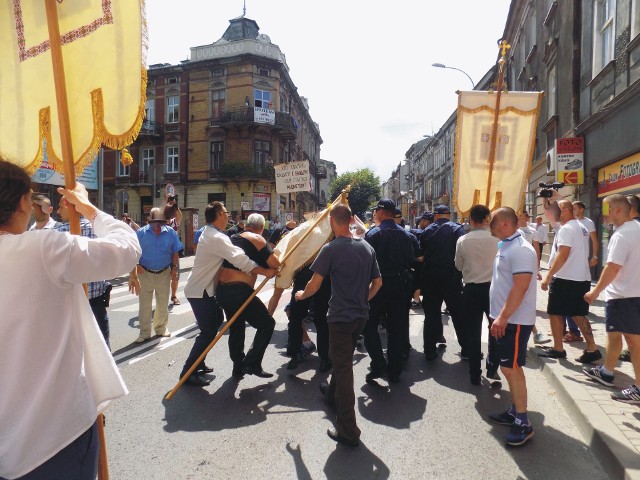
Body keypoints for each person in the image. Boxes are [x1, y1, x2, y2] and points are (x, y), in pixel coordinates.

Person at [0, 158, 140, 479]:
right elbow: (126, 250)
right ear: (24, 201)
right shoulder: (41, 247)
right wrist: (89, 208)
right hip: (53, 439)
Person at [295, 203, 382, 447]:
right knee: (340, 359)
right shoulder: (366, 247)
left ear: (333, 222)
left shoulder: (330, 249)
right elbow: (378, 283)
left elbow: (314, 283)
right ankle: (332, 396)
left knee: (343, 370)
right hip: (360, 317)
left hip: (341, 318)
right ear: (350, 221)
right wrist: (363, 299)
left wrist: (302, 295)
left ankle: (348, 430)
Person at [180, 204, 276, 386]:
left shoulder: (212, 234)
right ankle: (188, 372)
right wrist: (264, 271)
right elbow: (239, 259)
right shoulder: (216, 237)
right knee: (208, 333)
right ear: (218, 215)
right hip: (200, 291)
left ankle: (201, 364)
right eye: (225, 212)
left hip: (208, 290)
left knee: (219, 323)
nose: (228, 216)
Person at [487, 207, 538, 447]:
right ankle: (515, 411)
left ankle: (523, 422)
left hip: (514, 321)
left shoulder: (521, 249)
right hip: (505, 318)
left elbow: (521, 286)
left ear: (506, 224)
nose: (490, 227)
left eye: (493, 223)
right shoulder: (507, 245)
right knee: (508, 368)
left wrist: (503, 317)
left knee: (512, 368)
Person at [583, 195, 640, 403]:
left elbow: (613, 267)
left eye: (606, 209)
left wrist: (595, 291)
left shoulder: (623, 234)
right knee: (615, 334)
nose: (603, 214)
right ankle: (607, 371)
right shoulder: (635, 228)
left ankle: (638, 388)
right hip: (630, 295)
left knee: (634, 344)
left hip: (623, 296)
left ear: (617, 210)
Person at [364, 198, 421, 383]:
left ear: (380, 213)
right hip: (399, 286)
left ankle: (379, 364)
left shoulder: (373, 234)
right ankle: (395, 369)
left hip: (377, 286)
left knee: (370, 325)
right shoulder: (405, 235)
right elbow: (411, 260)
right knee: (396, 328)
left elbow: (366, 265)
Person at [217, 213, 280, 378]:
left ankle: (238, 367)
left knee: (236, 327)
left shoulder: (233, 237)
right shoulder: (257, 239)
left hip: (223, 290)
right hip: (239, 291)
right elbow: (275, 263)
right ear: (261, 228)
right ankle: (251, 364)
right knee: (267, 324)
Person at [539, 199, 602, 363]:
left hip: (566, 278)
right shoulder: (580, 226)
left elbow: (563, 254)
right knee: (578, 314)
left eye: (556, 211)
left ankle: (558, 349)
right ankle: (592, 349)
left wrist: (548, 275)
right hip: (581, 277)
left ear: (565, 210)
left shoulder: (567, 229)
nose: (553, 214)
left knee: (554, 312)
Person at [56, 197, 113, 348]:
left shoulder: (57, 233)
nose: (58, 211)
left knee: (75, 347)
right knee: (102, 345)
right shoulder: (97, 229)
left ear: (69, 206)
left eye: (60, 207)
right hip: (95, 299)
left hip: (71, 301)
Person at [454, 204, 500, 385]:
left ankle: (474, 372)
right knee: (495, 329)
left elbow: (458, 265)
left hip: (471, 289)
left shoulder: (463, 240)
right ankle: (493, 366)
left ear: (471, 220)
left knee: (472, 332)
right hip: (494, 289)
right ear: (488, 219)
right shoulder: (498, 240)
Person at [128, 207, 183, 343]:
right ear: (149, 220)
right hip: (145, 273)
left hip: (164, 272)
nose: (158, 226)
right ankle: (144, 333)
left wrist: (174, 268)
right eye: (155, 222)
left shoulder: (170, 233)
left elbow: (175, 252)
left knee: (163, 303)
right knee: (145, 304)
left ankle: (161, 328)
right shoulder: (140, 233)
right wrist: (136, 266)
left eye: (160, 222)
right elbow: (133, 252)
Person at [419, 204, 465, 360]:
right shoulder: (457, 229)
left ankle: (429, 349)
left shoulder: (427, 230)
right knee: (458, 313)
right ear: (448, 215)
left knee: (431, 314)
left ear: (436, 216)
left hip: (430, 276)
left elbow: (422, 251)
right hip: (451, 275)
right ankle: (466, 348)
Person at [165, 196, 183, 306]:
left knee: (175, 275)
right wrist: (165, 202)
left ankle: (174, 296)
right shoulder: (160, 221)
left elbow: (180, 215)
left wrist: (175, 205)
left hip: (174, 253)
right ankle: (163, 296)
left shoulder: (174, 222)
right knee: (163, 276)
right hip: (163, 252)